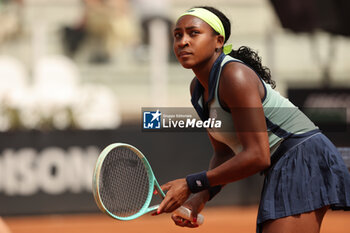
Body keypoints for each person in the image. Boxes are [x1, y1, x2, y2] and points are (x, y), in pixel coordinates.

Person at [154, 6, 350, 233]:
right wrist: (200, 196)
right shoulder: (197, 90)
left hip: (304, 157)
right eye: (178, 35)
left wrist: (191, 183)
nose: (183, 41)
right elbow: (224, 153)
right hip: (284, 163)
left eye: (193, 33)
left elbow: (258, 156)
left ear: (218, 41)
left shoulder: (234, 76)